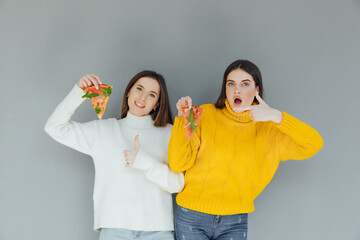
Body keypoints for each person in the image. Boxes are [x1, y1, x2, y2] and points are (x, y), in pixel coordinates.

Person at [168, 59, 323, 240]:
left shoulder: (270, 129)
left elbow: (314, 143)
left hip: (235, 220)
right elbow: (178, 163)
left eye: (245, 84)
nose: (237, 90)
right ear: (225, 88)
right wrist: (182, 119)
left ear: (257, 90)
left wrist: (277, 115)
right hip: (192, 216)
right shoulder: (205, 114)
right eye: (231, 84)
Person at [45, 71, 184, 240]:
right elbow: (54, 127)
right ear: (128, 92)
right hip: (115, 231)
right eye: (139, 89)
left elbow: (178, 184)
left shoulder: (170, 133)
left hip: (158, 231)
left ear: (156, 104)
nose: (142, 97)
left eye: (152, 95)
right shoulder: (103, 131)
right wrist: (79, 92)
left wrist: (145, 162)